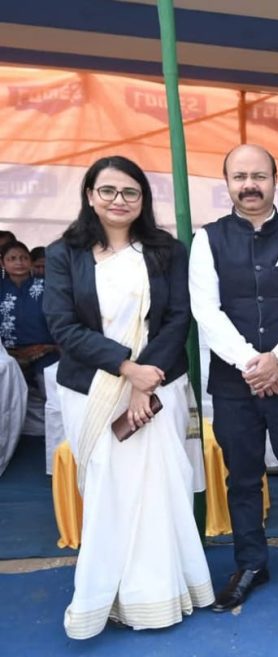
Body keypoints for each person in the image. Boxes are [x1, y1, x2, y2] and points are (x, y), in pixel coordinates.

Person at [42, 155, 213, 639]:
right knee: (108, 489)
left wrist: (145, 380)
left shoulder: (167, 251)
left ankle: (163, 591)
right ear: (90, 195)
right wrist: (126, 368)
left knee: (162, 487)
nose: (119, 200)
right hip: (93, 388)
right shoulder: (64, 253)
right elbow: (62, 325)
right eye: (109, 190)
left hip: (159, 386)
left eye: (130, 192)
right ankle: (105, 596)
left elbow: (178, 317)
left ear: (143, 198)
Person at [189, 144, 278, 610]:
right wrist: (254, 363)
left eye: (259, 176)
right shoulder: (207, 239)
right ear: (227, 183)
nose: (250, 185)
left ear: (274, 179)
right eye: (240, 177)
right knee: (243, 478)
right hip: (235, 385)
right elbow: (206, 311)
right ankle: (251, 563)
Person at [1, 240, 60, 382]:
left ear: (30, 262)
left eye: (24, 258)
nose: (19, 262)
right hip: (6, 355)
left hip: (45, 352)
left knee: (49, 383)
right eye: (12, 259)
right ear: (2, 263)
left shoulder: (48, 286)